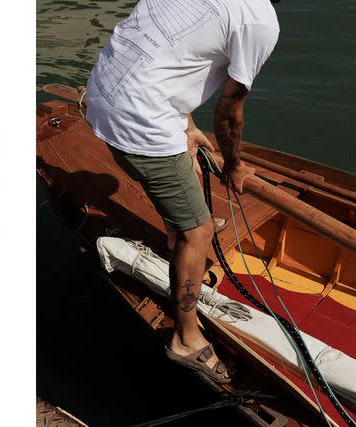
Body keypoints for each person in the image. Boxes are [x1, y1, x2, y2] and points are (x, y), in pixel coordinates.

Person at [84, 0, 280, 383]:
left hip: (102, 89)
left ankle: (177, 226)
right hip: (137, 120)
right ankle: (185, 339)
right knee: (200, 232)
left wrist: (186, 125)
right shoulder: (259, 21)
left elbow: (168, 48)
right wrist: (235, 164)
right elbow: (229, 111)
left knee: (184, 169)